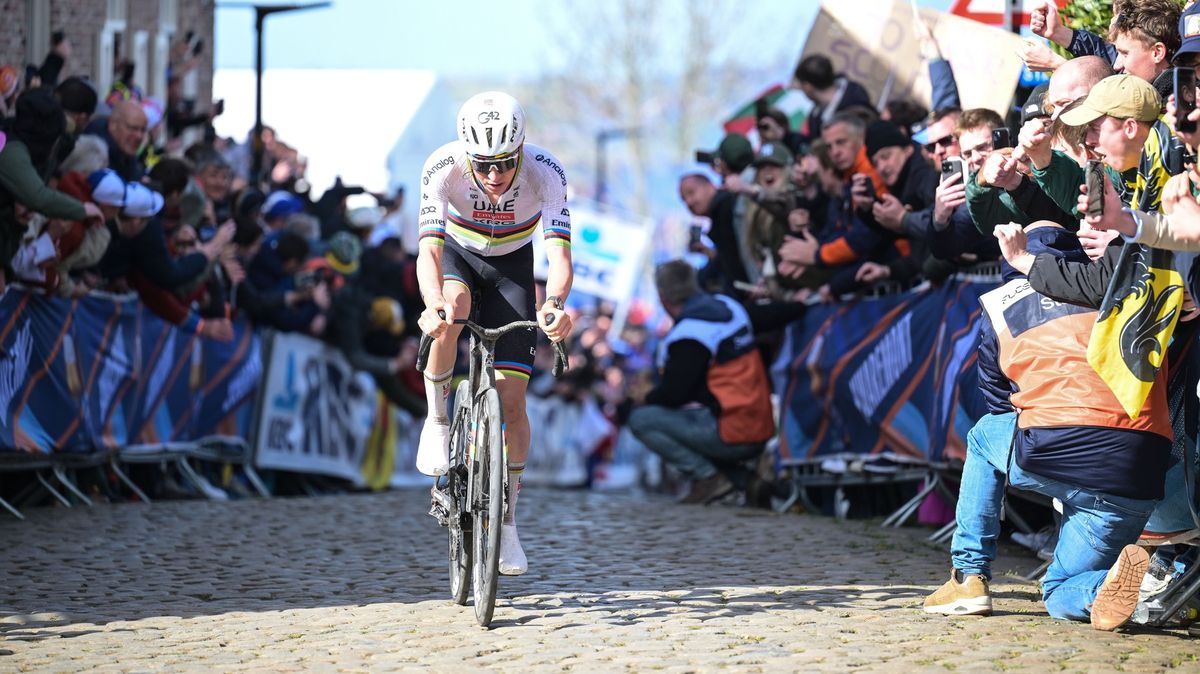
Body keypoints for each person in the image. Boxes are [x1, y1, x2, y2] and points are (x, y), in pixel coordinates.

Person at [415, 91, 574, 576]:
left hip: (513, 266)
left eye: (505, 162)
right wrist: (432, 303)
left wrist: (555, 304)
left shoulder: (546, 172)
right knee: (453, 309)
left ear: (521, 148)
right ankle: (439, 420)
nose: (494, 176)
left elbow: (560, 258)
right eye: (482, 165)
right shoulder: (441, 166)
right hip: (459, 256)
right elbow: (428, 254)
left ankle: (506, 522)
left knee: (513, 404)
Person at [627, 260, 775, 504]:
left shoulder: (690, 332)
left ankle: (707, 478)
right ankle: (748, 482)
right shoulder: (728, 306)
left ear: (663, 298)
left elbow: (675, 394)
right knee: (686, 426)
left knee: (642, 419)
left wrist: (644, 397)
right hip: (760, 423)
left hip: (733, 430)